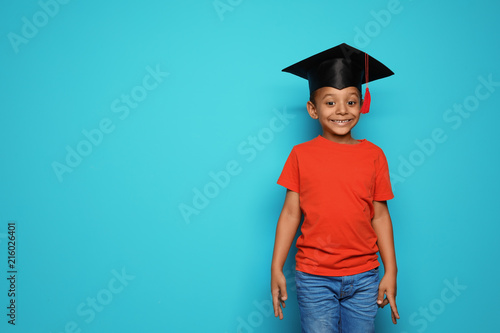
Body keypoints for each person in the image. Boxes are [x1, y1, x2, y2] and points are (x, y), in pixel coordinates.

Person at [270, 43, 400, 333]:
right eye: (330, 102)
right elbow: (291, 214)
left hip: (365, 276)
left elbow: (379, 216)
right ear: (312, 109)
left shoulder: (374, 155)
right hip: (314, 277)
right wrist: (276, 267)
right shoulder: (300, 155)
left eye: (351, 102)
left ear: (362, 105)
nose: (342, 110)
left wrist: (390, 270)